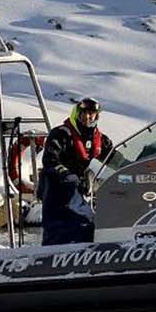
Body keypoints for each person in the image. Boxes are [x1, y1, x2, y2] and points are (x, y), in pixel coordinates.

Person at [39, 97, 109, 246]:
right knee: (57, 228)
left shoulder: (100, 139)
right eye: (85, 113)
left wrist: (137, 164)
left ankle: (87, 251)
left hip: (77, 189)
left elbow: (113, 158)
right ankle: (50, 255)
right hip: (56, 187)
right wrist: (66, 174)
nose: (88, 117)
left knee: (88, 223)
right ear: (77, 113)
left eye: (92, 114)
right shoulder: (60, 134)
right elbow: (49, 160)